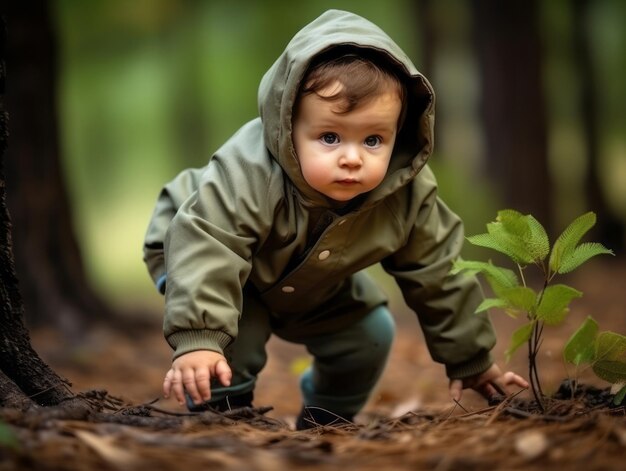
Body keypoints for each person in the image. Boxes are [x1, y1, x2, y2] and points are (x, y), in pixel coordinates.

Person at [143, 9, 528, 430]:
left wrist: (470, 357)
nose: (351, 157)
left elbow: (440, 272)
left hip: (312, 272)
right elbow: (210, 239)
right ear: (288, 128)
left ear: (399, 136)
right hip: (196, 249)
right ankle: (224, 420)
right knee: (238, 331)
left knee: (369, 333)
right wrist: (198, 338)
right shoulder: (249, 172)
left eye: (373, 140)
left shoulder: (406, 193)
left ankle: (325, 423)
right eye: (330, 137)